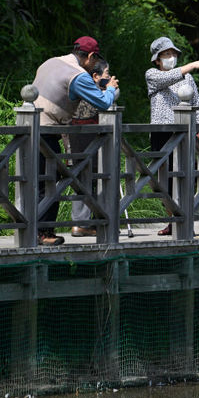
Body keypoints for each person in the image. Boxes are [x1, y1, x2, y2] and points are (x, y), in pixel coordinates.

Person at [31, 36, 119, 245]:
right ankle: (44, 233)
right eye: (95, 59)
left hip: (28, 128)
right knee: (49, 182)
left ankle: (32, 230)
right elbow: (103, 103)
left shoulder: (50, 62)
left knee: (36, 181)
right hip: (46, 131)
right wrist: (111, 89)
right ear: (89, 56)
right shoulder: (79, 75)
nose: (95, 64)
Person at [146, 36, 199, 236]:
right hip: (161, 134)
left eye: (174, 54)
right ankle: (173, 219)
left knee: (186, 177)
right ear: (157, 59)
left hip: (184, 134)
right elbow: (169, 77)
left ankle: (184, 221)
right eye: (167, 54)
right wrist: (193, 65)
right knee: (162, 180)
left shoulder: (188, 78)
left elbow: (197, 105)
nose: (171, 57)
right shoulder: (152, 74)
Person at [69, 58, 119, 237]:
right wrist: (112, 89)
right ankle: (92, 222)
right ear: (96, 76)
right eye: (107, 74)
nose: (110, 77)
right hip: (91, 138)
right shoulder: (95, 91)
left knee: (83, 178)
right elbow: (108, 103)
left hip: (76, 137)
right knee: (96, 177)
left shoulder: (77, 87)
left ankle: (82, 222)